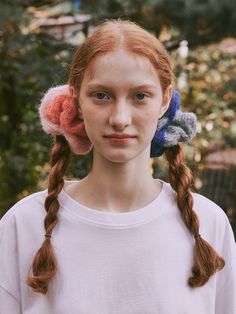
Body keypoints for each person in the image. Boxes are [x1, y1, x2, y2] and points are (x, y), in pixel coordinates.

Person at [0, 19, 235, 314]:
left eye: (140, 96)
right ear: (76, 99)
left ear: (164, 100)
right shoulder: (23, 225)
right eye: (101, 95)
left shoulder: (208, 225)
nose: (120, 118)